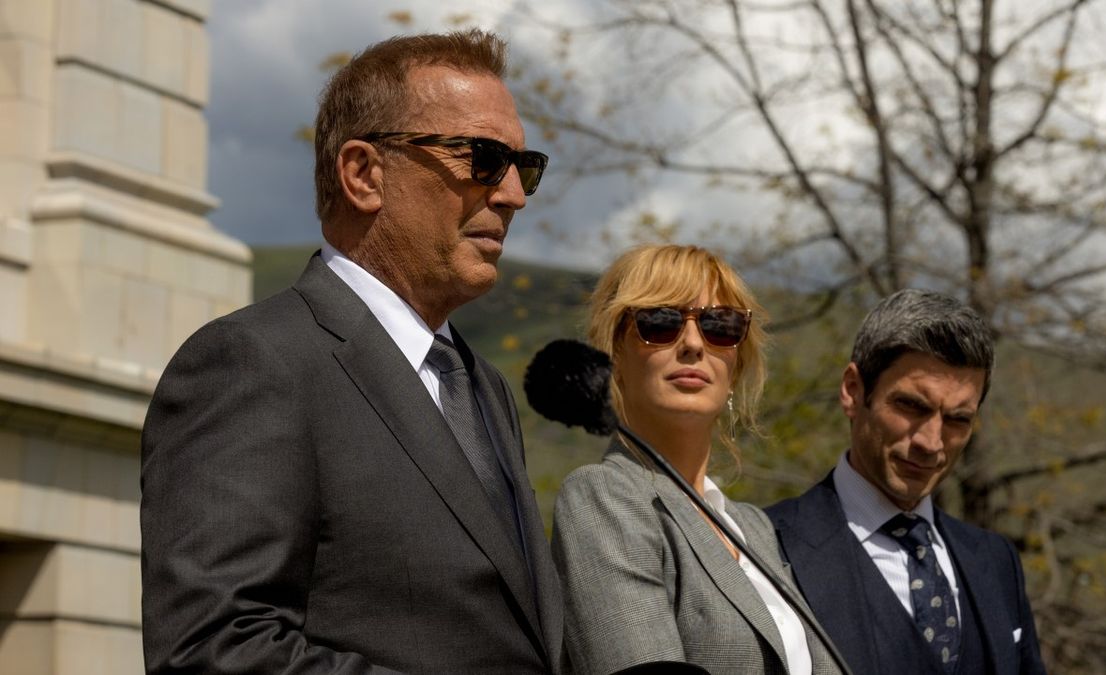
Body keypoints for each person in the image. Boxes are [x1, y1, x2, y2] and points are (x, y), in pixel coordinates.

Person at [140, 30, 563, 673]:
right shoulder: (254, 362)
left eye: (522, 167)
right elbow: (213, 647)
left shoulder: (483, 387)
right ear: (364, 174)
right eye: (480, 158)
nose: (512, 195)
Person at [551, 244, 849, 675]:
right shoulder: (605, 497)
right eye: (660, 322)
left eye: (720, 326)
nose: (693, 343)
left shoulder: (753, 529)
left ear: (737, 362)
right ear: (615, 354)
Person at [766, 289, 1047, 675]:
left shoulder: (995, 561)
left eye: (958, 419)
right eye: (911, 407)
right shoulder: (766, 548)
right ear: (853, 391)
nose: (931, 443)